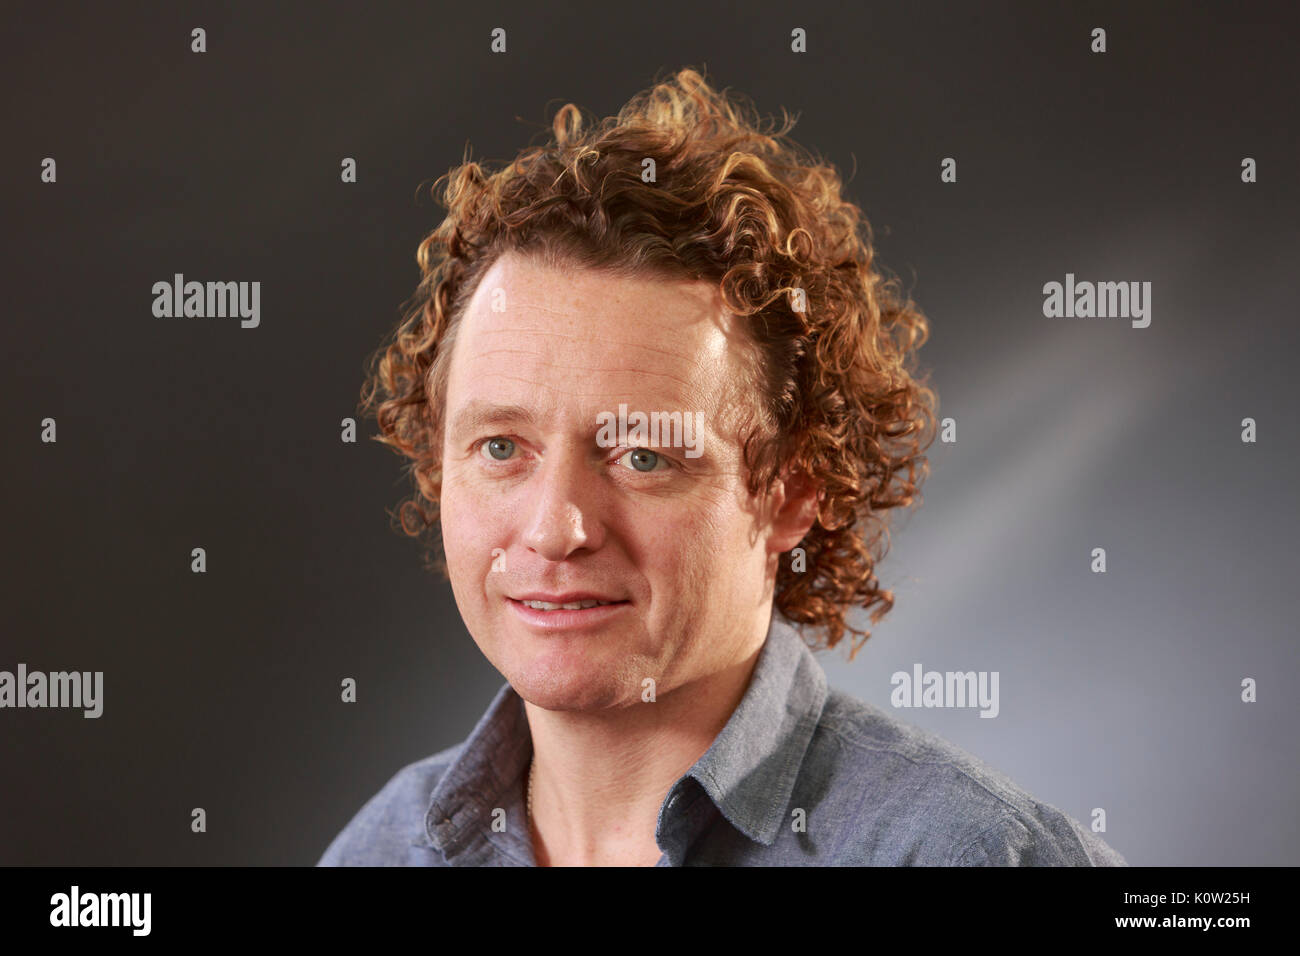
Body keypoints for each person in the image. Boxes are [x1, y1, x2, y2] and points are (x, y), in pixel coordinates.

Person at [317, 67, 1125, 866]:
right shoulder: (381, 850)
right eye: (501, 448)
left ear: (792, 491)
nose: (554, 528)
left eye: (642, 455)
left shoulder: (971, 854)